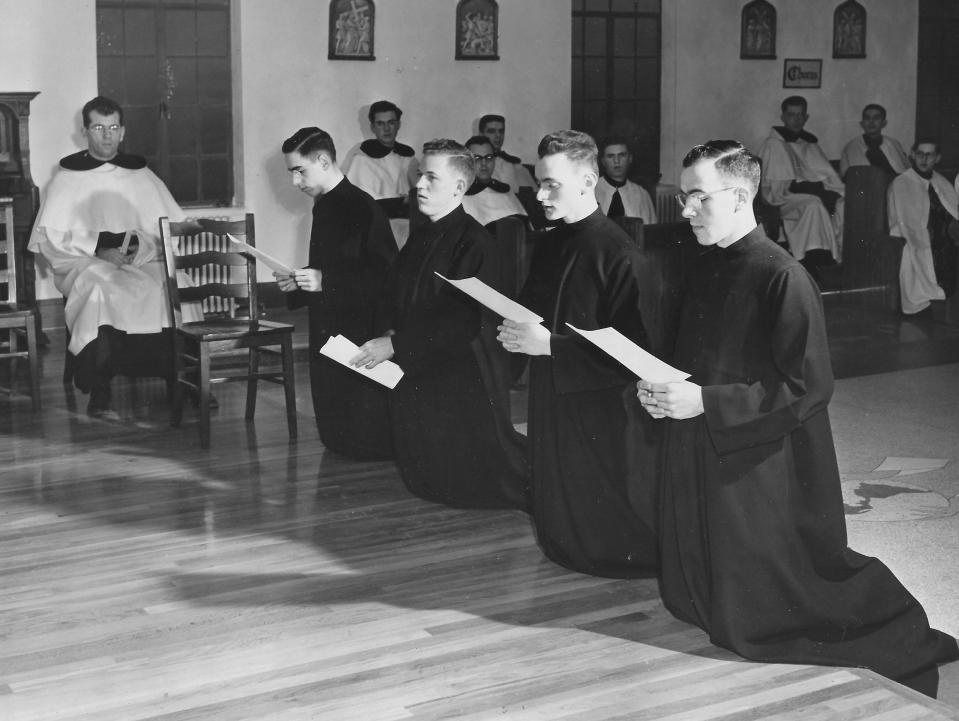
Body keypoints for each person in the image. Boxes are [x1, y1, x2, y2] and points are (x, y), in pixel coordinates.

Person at [637, 139, 959, 697]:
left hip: (764, 454)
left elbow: (808, 386)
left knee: (781, 592)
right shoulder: (703, 264)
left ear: (741, 198)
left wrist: (706, 403)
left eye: (696, 198)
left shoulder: (783, 276)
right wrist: (660, 386)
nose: (685, 210)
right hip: (707, 440)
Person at [496, 130, 657, 578]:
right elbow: (531, 304)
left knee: (600, 489)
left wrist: (548, 346)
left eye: (552, 185)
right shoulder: (550, 241)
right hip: (552, 388)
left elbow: (636, 349)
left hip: (601, 401)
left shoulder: (620, 254)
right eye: (539, 183)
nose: (541, 195)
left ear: (588, 181)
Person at [351, 139, 527, 510]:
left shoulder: (474, 242)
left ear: (459, 187)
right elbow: (394, 291)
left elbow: (459, 319)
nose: (420, 185)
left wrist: (397, 346)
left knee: (471, 477)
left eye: (431, 177)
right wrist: (386, 331)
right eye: (420, 176)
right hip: (422, 355)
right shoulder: (423, 233)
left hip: (460, 366)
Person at [28, 95, 201, 418]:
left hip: (137, 260)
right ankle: (100, 389)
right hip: (84, 261)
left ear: (122, 131)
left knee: (177, 283)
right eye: (98, 128)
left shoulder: (140, 174)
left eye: (113, 128)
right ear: (85, 132)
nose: (106, 136)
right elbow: (51, 239)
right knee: (99, 290)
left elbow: (164, 228)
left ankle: (186, 379)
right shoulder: (67, 177)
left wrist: (141, 247)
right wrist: (97, 249)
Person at [276, 127, 397, 458]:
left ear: (324, 160)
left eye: (300, 170)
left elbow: (384, 273)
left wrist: (323, 280)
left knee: (360, 430)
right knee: (336, 424)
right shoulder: (326, 204)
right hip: (331, 320)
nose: (295, 181)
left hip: (358, 325)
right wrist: (299, 282)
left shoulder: (358, 205)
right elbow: (333, 264)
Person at [759, 96, 845, 275]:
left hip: (807, 195)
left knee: (843, 203)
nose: (796, 119)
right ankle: (812, 258)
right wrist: (810, 188)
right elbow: (777, 188)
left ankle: (840, 257)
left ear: (806, 117)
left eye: (800, 115)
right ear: (782, 116)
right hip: (781, 199)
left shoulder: (810, 143)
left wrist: (831, 192)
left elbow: (828, 177)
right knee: (813, 204)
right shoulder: (774, 144)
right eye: (791, 114)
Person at [887, 138, 958, 316]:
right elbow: (906, 221)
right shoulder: (902, 182)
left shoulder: (941, 181)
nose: (924, 159)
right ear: (912, 155)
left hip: (944, 235)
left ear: (938, 158)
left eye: (930, 155)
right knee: (923, 250)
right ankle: (930, 299)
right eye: (920, 154)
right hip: (914, 235)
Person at [343, 100, 418, 248]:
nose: (386, 129)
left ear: (398, 125)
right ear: (372, 127)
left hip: (409, 227)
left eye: (391, 122)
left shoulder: (409, 157)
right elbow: (357, 203)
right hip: (377, 229)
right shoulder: (362, 159)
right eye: (380, 123)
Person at [461, 135, 527, 228]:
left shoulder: (504, 190)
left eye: (488, 157)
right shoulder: (461, 197)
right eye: (477, 158)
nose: (484, 163)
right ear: (467, 162)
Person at [594, 137, 657, 224]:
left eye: (622, 155)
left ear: (630, 158)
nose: (616, 161)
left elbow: (650, 231)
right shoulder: (592, 191)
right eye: (610, 156)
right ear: (603, 161)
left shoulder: (641, 194)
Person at [839, 103, 910, 179]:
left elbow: (906, 170)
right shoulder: (851, 147)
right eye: (867, 118)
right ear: (862, 123)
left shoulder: (894, 143)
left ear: (884, 123)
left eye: (876, 118)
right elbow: (845, 177)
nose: (871, 122)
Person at [479, 114, 536, 192]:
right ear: (481, 134)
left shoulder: (515, 166)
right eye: (492, 131)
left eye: (501, 131)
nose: (498, 135)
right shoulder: (473, 164)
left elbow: (532, 195)